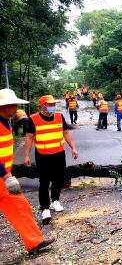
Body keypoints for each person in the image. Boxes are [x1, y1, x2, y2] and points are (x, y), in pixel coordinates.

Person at [0, 88, 55, 254]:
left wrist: (20, 119)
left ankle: (34, 242)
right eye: (14, 105)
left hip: (3, 179)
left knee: (22, 207)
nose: (17, 107)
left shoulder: (6, 119)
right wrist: (7, 175)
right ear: (4, 106)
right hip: (3, 176)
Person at [24, 95, 78, 223]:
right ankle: (45, 208)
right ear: (42, 106)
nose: (53, 106)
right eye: (50, 104)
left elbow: (66, 133)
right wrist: (26, 155)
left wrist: (73, 148)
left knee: (58, 179)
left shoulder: (59, 117)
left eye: (54, 104)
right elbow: (29, 138)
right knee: (44, 182)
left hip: (59, 154)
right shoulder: (33, 119)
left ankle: (55, 201)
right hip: (42, 156)